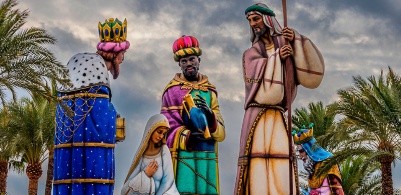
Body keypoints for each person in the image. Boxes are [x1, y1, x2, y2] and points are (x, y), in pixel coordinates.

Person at [234, 3, 325, 195]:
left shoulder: (285, 43)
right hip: (257, 117)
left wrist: (296, 41)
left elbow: (308, 78)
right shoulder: (250, 54)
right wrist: (277, 58)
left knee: (281, 160)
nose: (253, 24)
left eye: (256, 19)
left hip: (277, 116)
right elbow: (260, 82)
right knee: (258, 162)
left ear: (267, 20)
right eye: (250, 21)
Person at [53, 18, 130, 194]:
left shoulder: (85, 64)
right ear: (116, 55)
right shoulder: (99, 70)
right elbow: (99, 111)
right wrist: (115, 118)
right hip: (92, 158)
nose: (122, 60)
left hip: (68, 154)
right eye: (123, 55)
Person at [160, 35, 226, 195]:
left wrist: (211, 116)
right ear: (179, 64)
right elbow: (166, 126)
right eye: (184, 61)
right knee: (186, 190)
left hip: (207, 151)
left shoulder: (210, 91)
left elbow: (222, 133)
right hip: (184, 153)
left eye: (192, 59)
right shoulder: (171, 91)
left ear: (199, 60)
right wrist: (187, 136)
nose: (188, 64)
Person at [121, 114, 179, 195]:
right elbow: (126, 189)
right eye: (159, 132)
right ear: (151, 130)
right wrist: (145, 174)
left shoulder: (164, 151)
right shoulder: (142, 155)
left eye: (164, 133)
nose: (161, 136)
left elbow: (168, 182)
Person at [294, 125, 344, 195]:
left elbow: (337, 191)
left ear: (309, 150)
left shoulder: (328, 163)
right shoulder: (311, 167)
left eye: (301, 151)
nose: (300, 156)